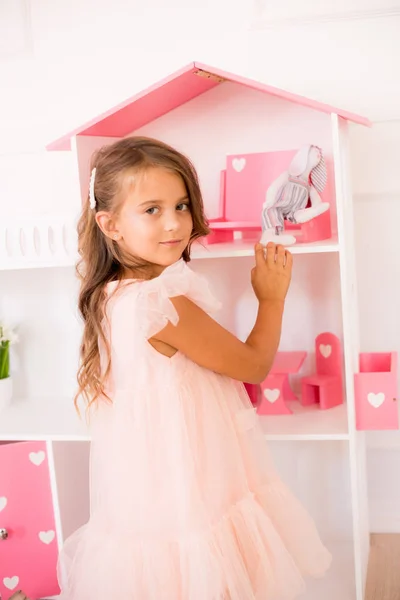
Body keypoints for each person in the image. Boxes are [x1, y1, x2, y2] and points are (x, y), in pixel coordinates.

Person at [58, 136, 331, 599]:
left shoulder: (111, 293)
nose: (175, 223)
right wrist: (272, 297)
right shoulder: (159, 302)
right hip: (188, 486)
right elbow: (254, 365)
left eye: (182, 205)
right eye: (152, 209)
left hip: (149, 489)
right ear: (111, 224)